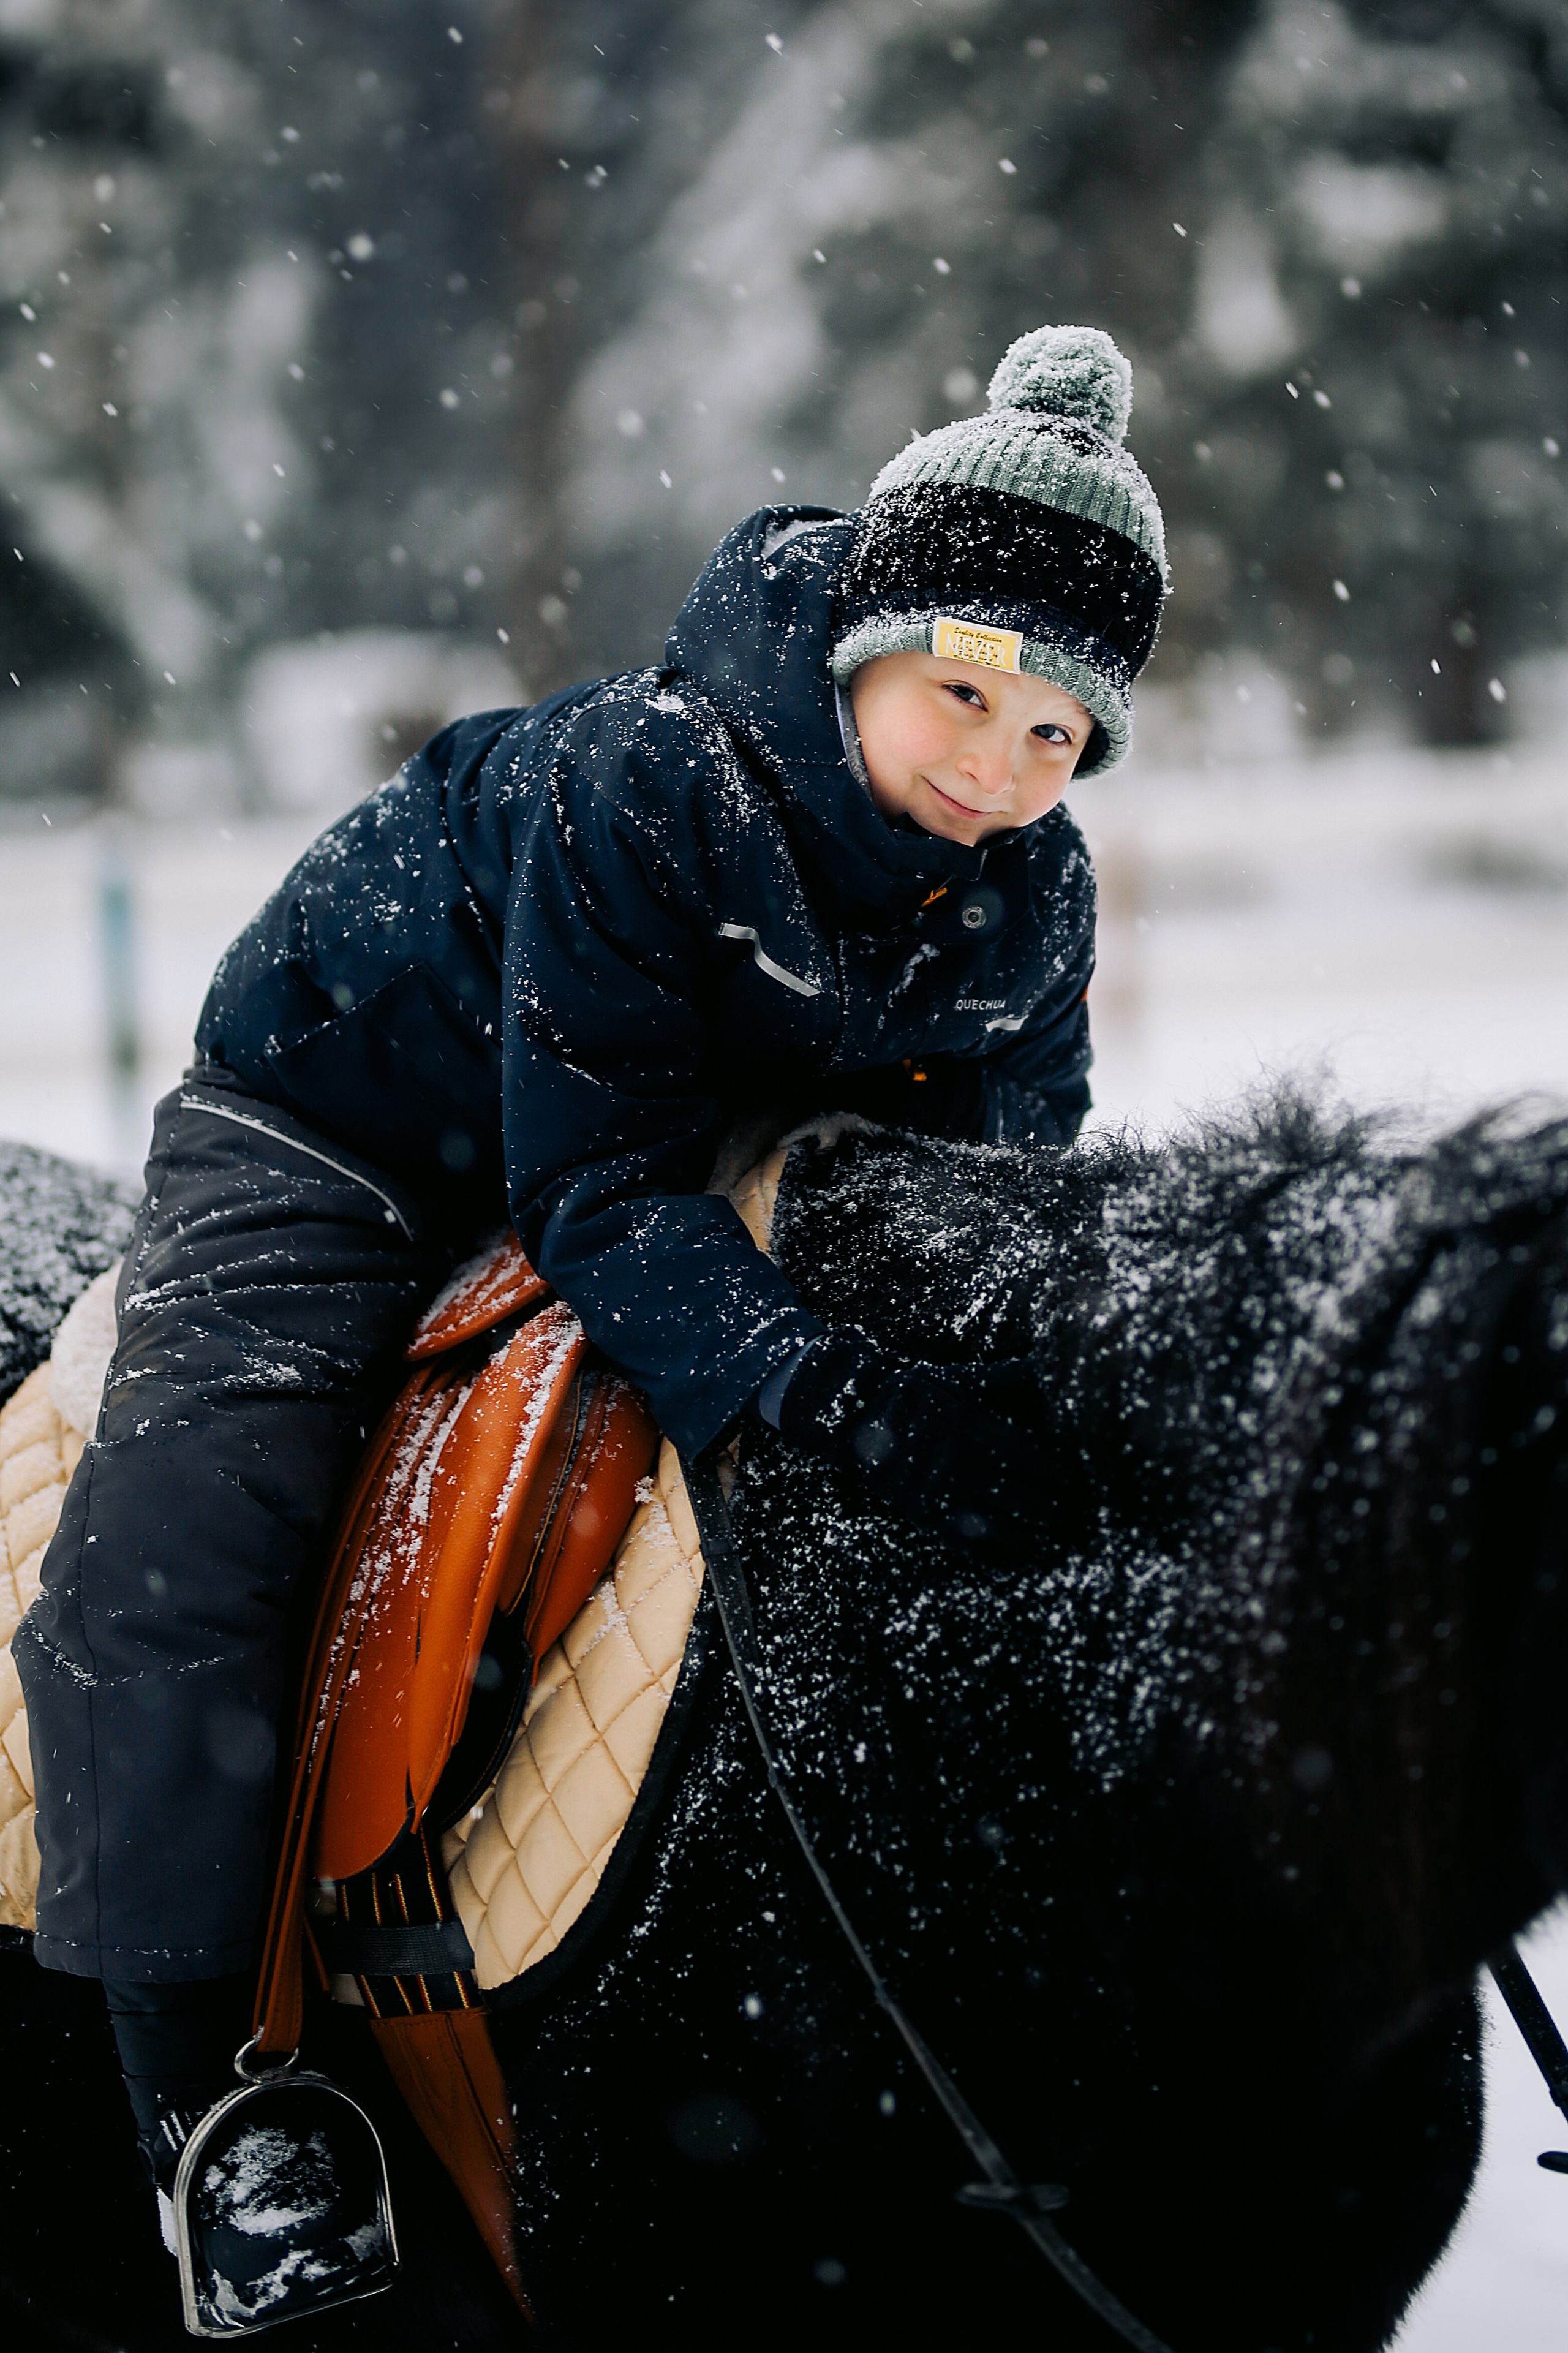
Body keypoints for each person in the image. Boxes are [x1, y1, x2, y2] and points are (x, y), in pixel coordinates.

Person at [15, 322, 1166, 2277]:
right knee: (190, 1531)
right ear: (864, 644)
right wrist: (814, 1383)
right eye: (964, 691)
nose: (996, 765)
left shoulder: (1029, 898)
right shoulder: (659, 777)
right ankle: (218, 2107)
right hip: (354, 1117)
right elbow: (594, 1186)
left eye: (1058, 734)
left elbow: (995, 1194)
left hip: (670, 1128)